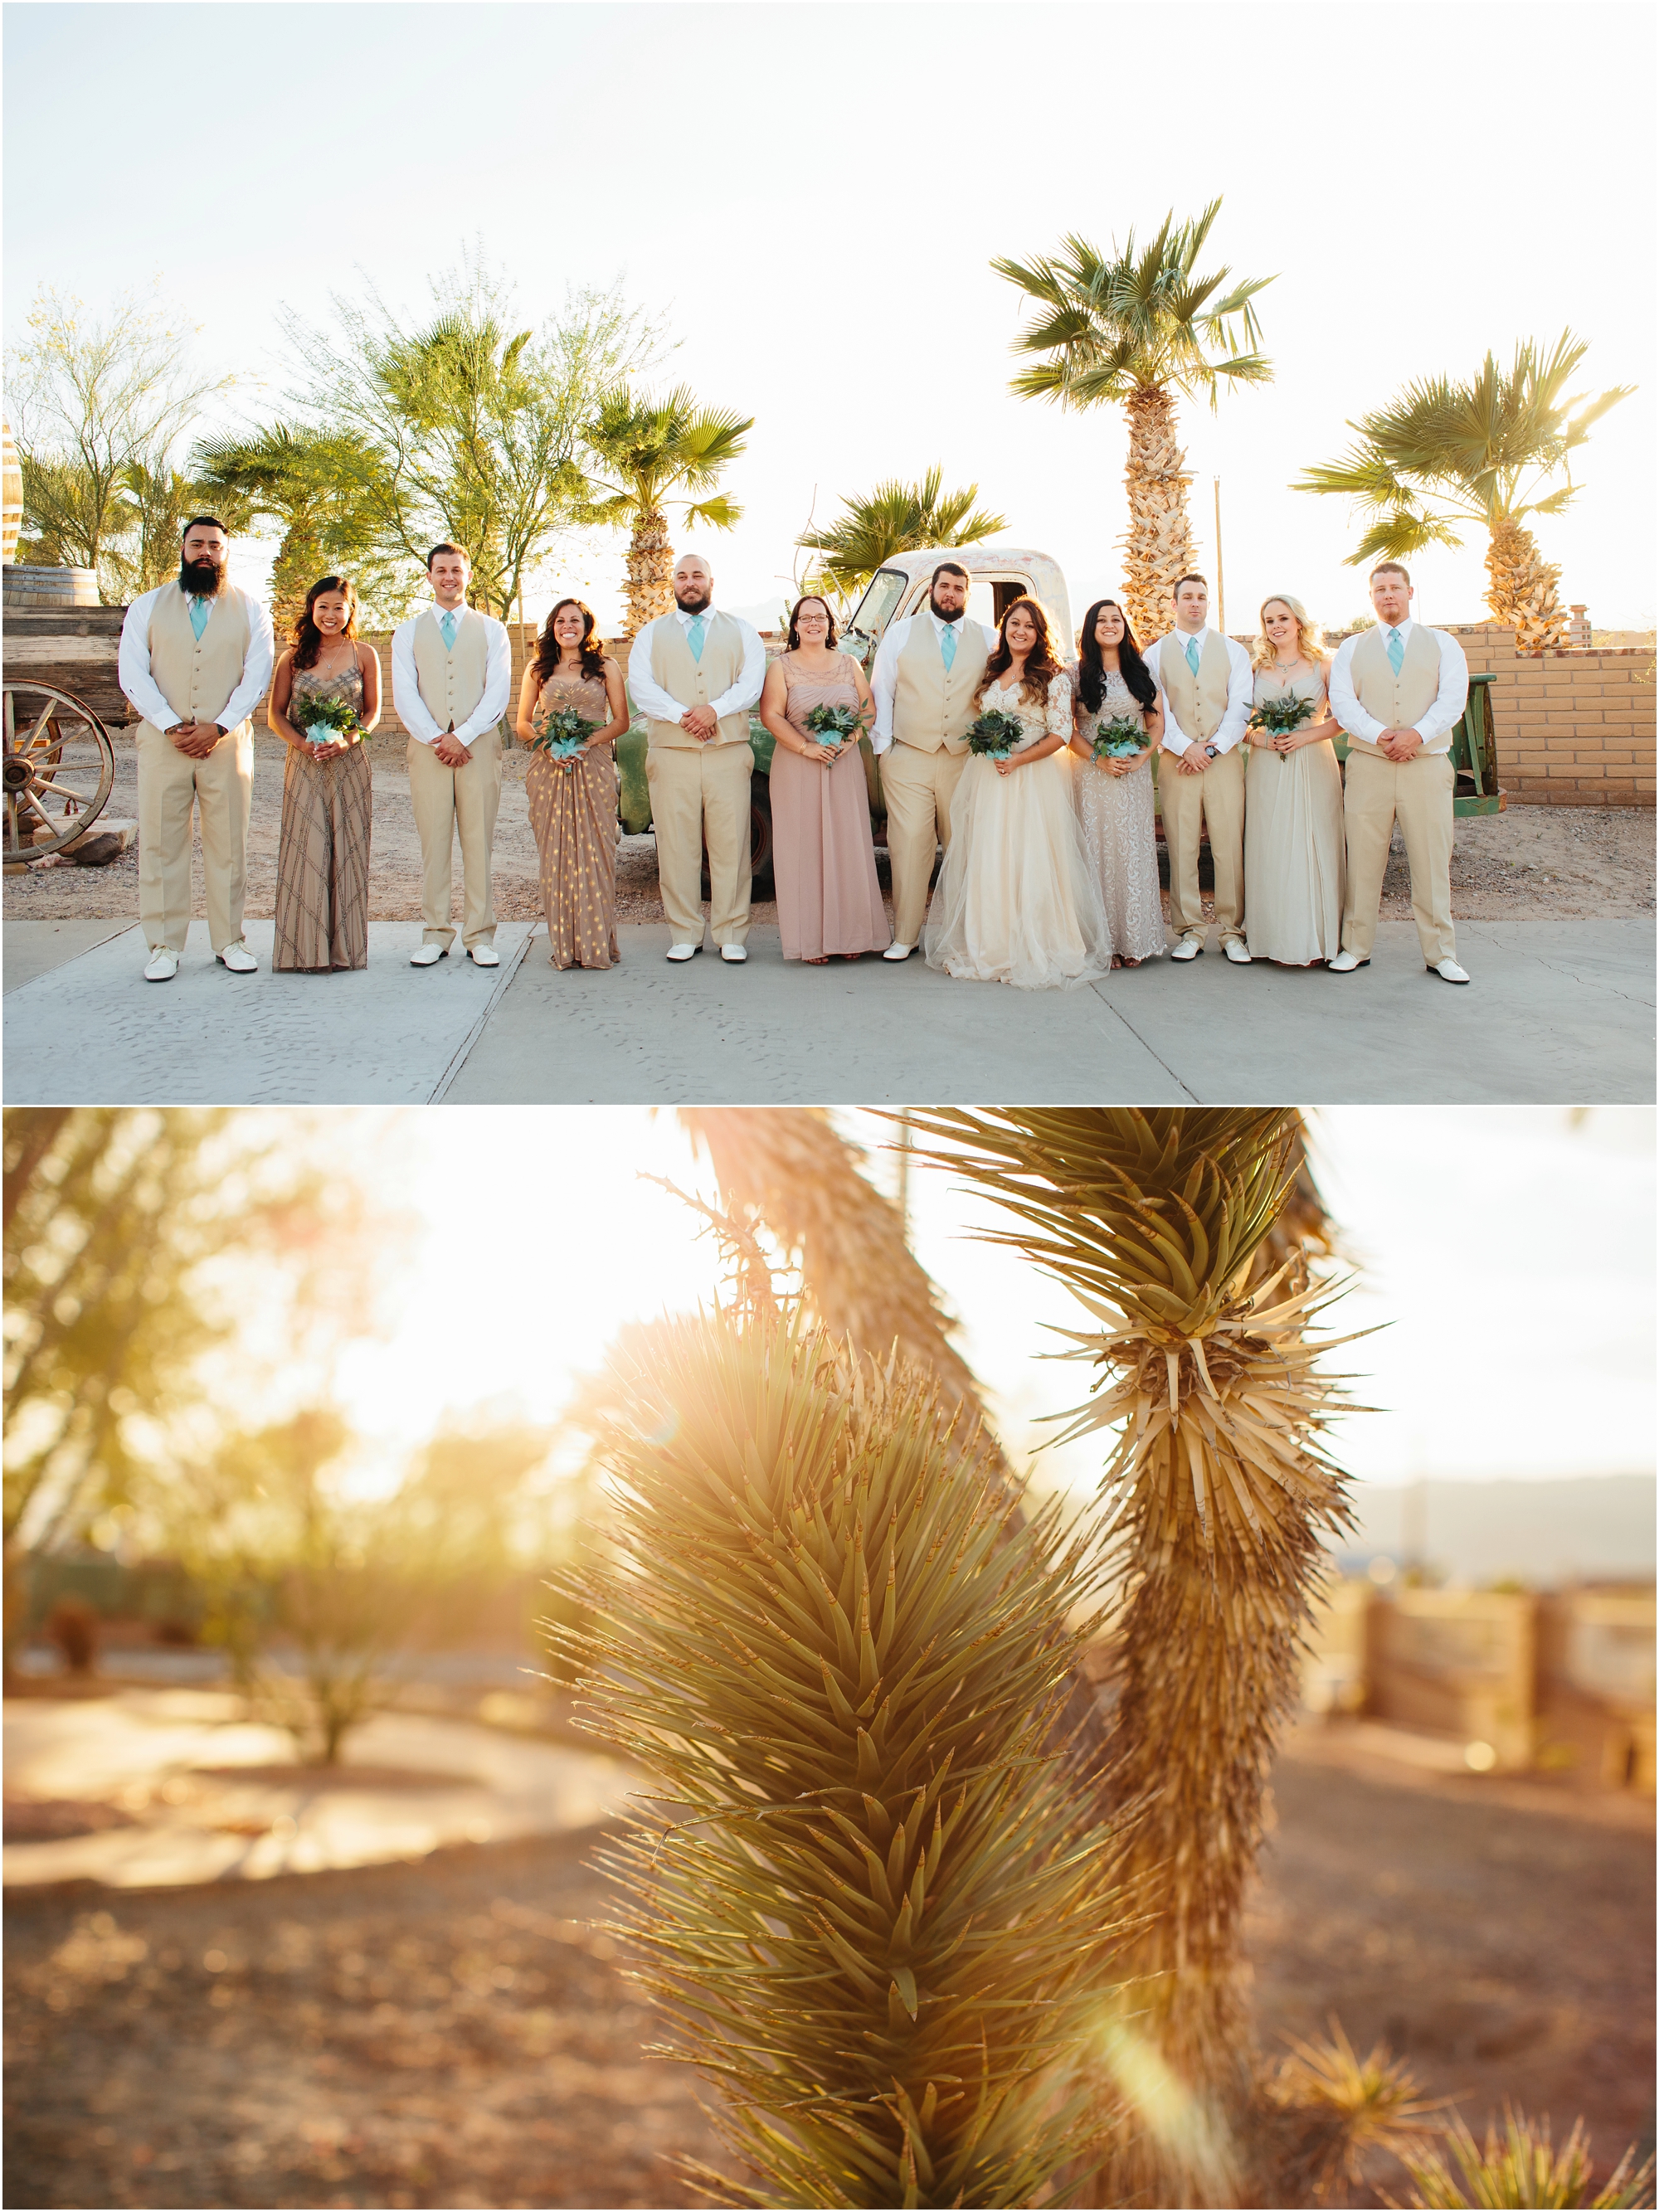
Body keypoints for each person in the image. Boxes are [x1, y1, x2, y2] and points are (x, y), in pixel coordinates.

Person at [924, 596, 1111, 990]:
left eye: (1028, 625)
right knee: (992, 854)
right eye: (1014, 624)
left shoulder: (1054, 678)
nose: (1020, 631)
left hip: (1032, 779)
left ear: (1039, 633)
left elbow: (1061, 733)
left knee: (1030, 855)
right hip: (991, 777)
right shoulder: (993, 674)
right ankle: (992, 942)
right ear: (1004, 630)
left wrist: (1019, 759)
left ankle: (1037, 941)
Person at [118, 515, 275, 981]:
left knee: (229, 844)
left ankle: (230, 941)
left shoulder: (251, 609)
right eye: (197, 543)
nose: (205, 551)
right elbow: (133, 673)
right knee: (162, 844)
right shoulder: (146, 606)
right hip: (163, 743)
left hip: (226, 745)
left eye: (215, 545)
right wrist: (170, 725)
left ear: (226, 552)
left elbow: (257, 674)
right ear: (183, 549)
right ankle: (164, 946)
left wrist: (220, 726)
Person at [1327, 562, 1471, 984]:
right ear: (1371, 597)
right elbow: (1343, 702)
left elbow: (1451, 702)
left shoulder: (1444, 645)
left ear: (1410, 592)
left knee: (1431, 862)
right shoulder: (1351, 649)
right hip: (1369, 765)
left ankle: (1441, 954)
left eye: (1395, 588)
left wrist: (1416, 735)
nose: (1387, 595)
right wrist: (1382, 734)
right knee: (1363, 862)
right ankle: (1355, 947)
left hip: (1426, 766)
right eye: (1380, 589)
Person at [625, 551, 766, 963]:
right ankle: (684, 932)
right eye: (682, 576)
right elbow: (642, 686)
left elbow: (751, 683)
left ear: (711, 582)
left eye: (697, 575)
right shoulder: (651, 634)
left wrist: (714, 711)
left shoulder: (742, 631)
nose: (690, 582)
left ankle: (731, 933)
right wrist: (683, 716)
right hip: (671, 754)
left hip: (726, 752)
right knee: (676, 847)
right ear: (673, 584)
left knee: (731, 845)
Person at [390, 544, 511, 969]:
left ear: (469, 575)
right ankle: (435, 933)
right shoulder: (407, 631)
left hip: (478, 748)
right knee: (434, 843)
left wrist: (464, 736)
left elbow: (498, 692)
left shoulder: (493, 630)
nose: (449, 577)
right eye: (440, 570)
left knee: (478, 843)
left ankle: (480, 935)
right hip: (429, 752)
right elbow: (404, 693)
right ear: (429, 576)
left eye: (456, 570)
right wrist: (437, 738)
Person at [869, 560, 995, 960]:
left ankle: (961, 936)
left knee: (963, 847)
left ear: (967, 595)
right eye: (944, 586)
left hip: (964, 760)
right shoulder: (901, 633)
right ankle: (905, 936)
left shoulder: (989, 638)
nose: (950, 594)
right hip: (908, 756)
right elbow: (881, 690)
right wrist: (883, 751)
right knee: (908, 846)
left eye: (958, 589)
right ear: (932, 590)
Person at [757, 595, 889, 963]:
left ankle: (851, 936)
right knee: (803, 850)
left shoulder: (849, 663)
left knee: (848, 846)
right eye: (805, 618)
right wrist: (805, 748)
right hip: (799, 765)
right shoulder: (780, 667)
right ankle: (811, 941)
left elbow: (868, 711)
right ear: (795, 626)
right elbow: (772, 716)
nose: (813, 623)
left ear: (830, 625)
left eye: (820, 617)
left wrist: (851, 739)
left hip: (842, 764)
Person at [266, 576, 381, 972]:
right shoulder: (292, 657)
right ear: (311, 609)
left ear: (350, 611)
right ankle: (305, 952)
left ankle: (345, 951)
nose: (330, 615)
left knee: (348, 852)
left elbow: (372, 713)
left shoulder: (365, 653)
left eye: (338, 607)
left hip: (349, 764)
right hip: (305, 764)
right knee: (308, 851)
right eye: (323, 607)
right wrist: (302, 745)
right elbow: (275, 715)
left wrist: (347, 741)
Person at [513, 597, 630, 969]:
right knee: (557, 855)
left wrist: (585, 743)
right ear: (552, 626)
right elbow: (522, 725)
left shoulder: (606, 666)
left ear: (586, 625)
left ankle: (597, 945)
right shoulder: (537, 668)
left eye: (575, 620)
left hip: (592, 764)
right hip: (549, 769)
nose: (568, 626)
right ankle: (565, 946)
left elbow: (621, 722)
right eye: (561, 620)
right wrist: (548, 748)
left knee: (596, 852)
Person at [1143, 573, 1253, 964]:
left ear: (1209, 604)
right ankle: (1189, 929)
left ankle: (1232, 931)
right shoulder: (1153, 655)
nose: (1195, 603)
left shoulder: (1234, 652)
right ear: (1174, 604)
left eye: (1201, 597)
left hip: (1223, 762)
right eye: (1187, 597)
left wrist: (1213, 747)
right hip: (1176, 763)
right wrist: (1185, 746)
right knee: (1181, 846)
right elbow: (1155, 710)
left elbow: (1242, 706)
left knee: (1228, 847)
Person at [1242, 595, 1346, 966]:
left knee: (1312, 842)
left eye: (1283, 618)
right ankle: (1271, 937)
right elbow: (1239, 723)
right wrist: (1261, 740)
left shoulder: (1325, 665)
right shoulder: (1255, 668)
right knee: (1270, 841)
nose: (1276, 626)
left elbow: (1344, 718)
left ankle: (1314, 938)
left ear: (1299, 622)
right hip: (1267, 765)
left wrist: (1306, 736)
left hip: (1313, 760)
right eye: (1269, 621)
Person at [1066, 598, 1166, 969]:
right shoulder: (1074, 675)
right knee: (1095, 851)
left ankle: (1134, 939)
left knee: (1132, 851)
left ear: (1124, 626)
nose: (1110, 625)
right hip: (1092, 775)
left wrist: (1142, 757)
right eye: (1101, 620)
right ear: (1090, 628)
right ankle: (1101, 942)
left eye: (1116, 619)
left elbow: (1155, 724)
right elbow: (1067, 730)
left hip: (1134, 776)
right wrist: (1098, 758)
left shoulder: (1142, 671)